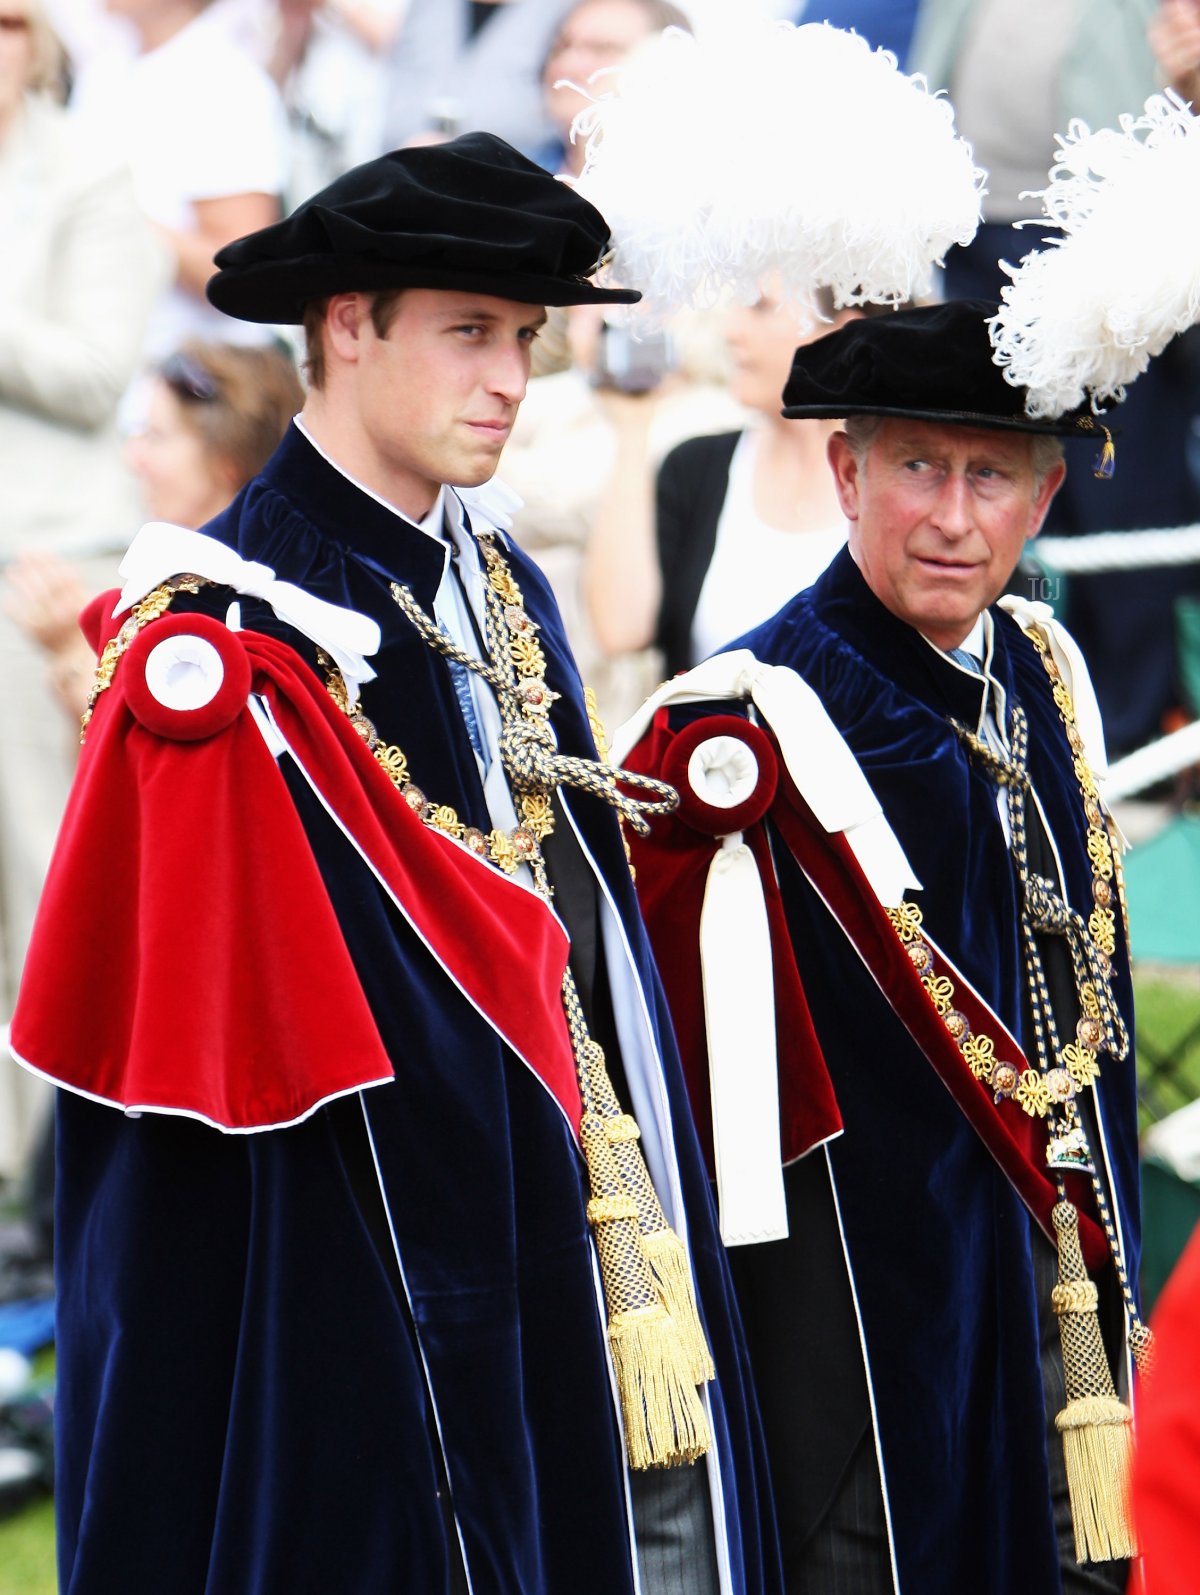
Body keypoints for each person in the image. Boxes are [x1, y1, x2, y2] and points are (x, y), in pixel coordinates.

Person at [8, 131, 780, 1595]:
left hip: (546, 1199)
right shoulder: (223, 632)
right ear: (348, 327)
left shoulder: (498, 581)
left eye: (527, 338)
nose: (511, 377)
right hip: (341, 1274)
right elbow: (208, 1071)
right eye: (470, 332)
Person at [615, 299, 1146, 1594]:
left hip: (1048, 1287)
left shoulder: (1040, 667)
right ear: (846, 471)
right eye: (917, 466)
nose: (954, 517)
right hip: (854, 1345)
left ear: (1047, 491)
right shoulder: (736, 731)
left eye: (992, 475)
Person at [0, 0, 164, 1186]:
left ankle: (42, 1194)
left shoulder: (90, 174)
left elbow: (98, 369)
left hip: (37, 565)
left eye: (7, 22)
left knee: (36, 886)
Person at [585, 287, 868, 679]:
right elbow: (621, 631)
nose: (732, 331)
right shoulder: (697, 467)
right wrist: (632, 426)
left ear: (841, 332)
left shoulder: (888, 485)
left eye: (761, 307)